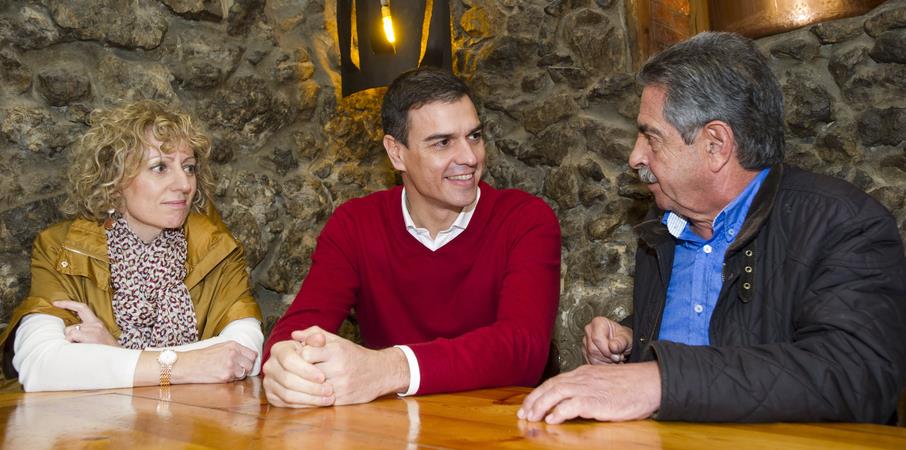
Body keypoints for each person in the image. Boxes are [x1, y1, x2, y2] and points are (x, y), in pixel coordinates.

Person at [519, 32, 906, 424]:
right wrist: (628, 338)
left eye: (651, 137)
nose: (635, 156)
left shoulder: (845, 223)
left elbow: (855, 377)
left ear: (716, 144)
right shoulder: (662, 229)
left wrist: (659, 381)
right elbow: (716, 330)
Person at [262, 67, 561, 407]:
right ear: (396, 153)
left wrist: (390, 368)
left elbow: (523, 350)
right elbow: (299, 328)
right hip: (388, 431)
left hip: (499, 430)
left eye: (474, 136)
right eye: (443, 142)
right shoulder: (355, 224)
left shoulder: (525, 220)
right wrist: (287, 364)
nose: (469, 157)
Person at [0, 100, 264, 391]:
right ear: (114, 180)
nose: (185, 184)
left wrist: (113, 353)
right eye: (160, 167)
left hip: (195, 429)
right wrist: (187, 364)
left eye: (188, 167)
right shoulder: (61, 249)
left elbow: (244, 354)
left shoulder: (216, 247)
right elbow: (40, 366)